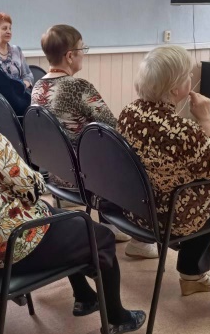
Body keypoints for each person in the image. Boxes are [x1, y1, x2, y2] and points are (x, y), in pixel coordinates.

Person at [0, 61, 145, 334]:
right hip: (7, 246)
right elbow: (32, 189)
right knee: (101, 237)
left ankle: (85, 296)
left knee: (64, 219)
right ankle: (117, 317)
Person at [118, 45, 210, 314]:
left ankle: (192, 276)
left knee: (208, 191)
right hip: (168, 217)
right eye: (187, 76)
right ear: (174, 88)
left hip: (136, 209)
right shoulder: (182, 131)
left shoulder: (129, 113)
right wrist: (207, 119)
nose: (191, 79)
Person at [32, 23, 159, 259]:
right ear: (70, 56)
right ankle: (141, 240)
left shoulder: (38, 86)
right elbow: (114, 128)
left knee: (100, 152)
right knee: (135, 159)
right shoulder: (78, 87)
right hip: (83, 178)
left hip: (57, 173)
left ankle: (110, 226)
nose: (84, 53)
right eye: (82, 49)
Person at [0, 12, 34, 88]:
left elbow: (28, 75)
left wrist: (22, 86)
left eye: (10, 28)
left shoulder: (17, 50)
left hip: (20, 92)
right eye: (4, 28)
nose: (8, 31)